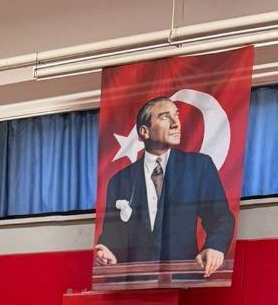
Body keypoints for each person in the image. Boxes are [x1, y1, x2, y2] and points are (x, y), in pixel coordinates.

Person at [95, 96, 234, 278]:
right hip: (136, 284)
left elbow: (221, 217)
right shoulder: (119, 181)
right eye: (165, 117)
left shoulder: (198, 167)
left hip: (183, 282)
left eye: (176, 115)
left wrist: (214, 247)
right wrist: (107, 251)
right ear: (144, 131)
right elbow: (112, 235)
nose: (176, 124)